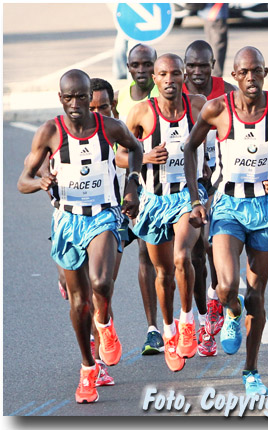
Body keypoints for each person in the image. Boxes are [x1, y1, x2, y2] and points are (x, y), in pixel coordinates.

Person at [17, 69, 143, 403]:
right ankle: (88, 367)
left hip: (102, 216)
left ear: (90, 97)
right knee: (78, 302)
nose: (76, 103)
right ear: (61, 99)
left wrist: (132, 187)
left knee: (101, 284)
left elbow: (136, 149)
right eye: (69, 97)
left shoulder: (109, 127)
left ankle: (105, 325)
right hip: (67, 221)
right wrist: (40, 182)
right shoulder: (50, 132)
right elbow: (23, 180)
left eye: (82, 97)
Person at [184, 46, 268, 395]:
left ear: (265, 72)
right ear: (234, 76)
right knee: (227, 285)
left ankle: (251, 371)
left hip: (265, 208)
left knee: (257, 295)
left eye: (258, 72)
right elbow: (190, 147)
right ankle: (230, 311)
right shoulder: (217, 109)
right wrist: (195, 198)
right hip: (228, 206)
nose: (252, 78)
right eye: (245, 73)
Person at [120, 53, 208, 372]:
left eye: (175, 73)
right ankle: (167, 331)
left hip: (186, 195)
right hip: (153, 200)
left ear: (183, 76)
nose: (169, 79)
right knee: (163, 273)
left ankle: (187, 320)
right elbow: (119, 156)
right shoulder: (141, 112)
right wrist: (144, 157)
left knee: (183, 257)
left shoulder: (198, 105)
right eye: (163, 75)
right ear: (154, 80)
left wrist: (211, 164)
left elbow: (226, 128)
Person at [183, 40, 236, 357]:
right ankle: (205, 314)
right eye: (193, 65)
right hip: (193, 179)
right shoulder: (177, 92)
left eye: (205, 65)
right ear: (185, 65)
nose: (198, 71)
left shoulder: (227, 92)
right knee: (196, 253)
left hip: (223, 177)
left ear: (213, 64)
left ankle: (217, 296)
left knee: (214, 242)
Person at [114, 43, 164, 356]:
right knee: (144, 254)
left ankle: (197, 313)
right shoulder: (121, 96)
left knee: (185, 257)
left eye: (148, 65)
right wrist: (142, 158)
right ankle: (153, 329)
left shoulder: (168, 91)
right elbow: (117, 150)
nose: (142, 71)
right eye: (136, 65)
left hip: (172, 188)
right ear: (129, 67)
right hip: (136, 187)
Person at [198, 3, 229, 77]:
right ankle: (215, 77)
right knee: (218, 46)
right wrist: (216, 8)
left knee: (212, 46)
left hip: (209, 13)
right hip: (216, 12)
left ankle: (211, 76)